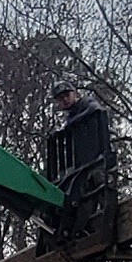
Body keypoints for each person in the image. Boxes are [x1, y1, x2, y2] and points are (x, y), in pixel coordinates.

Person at [44, 83, 118, 235]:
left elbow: (96, 109)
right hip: (84, 163)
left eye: (67, 95)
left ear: (75, 94)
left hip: (98, 157)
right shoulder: (71, 116)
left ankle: (110, 215)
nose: (65, 100)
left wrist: (73, 122)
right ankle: (84, 225)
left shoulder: (86, 103)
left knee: (98, 182)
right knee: (83, 193)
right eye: (61, 98)